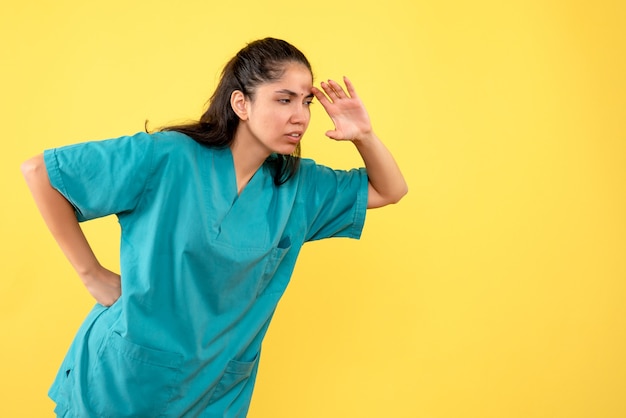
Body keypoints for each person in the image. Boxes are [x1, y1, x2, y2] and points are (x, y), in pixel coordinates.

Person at [21, 37, 407, 417]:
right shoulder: (169, 156)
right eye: (284, 99)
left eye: (306, 102)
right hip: (127, 379)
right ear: (241, 103)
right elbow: (41, 171)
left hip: (217, 390)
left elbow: (390, 189)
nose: (301, 116)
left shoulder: (299, 187)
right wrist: (92, 275)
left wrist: (364, 136)